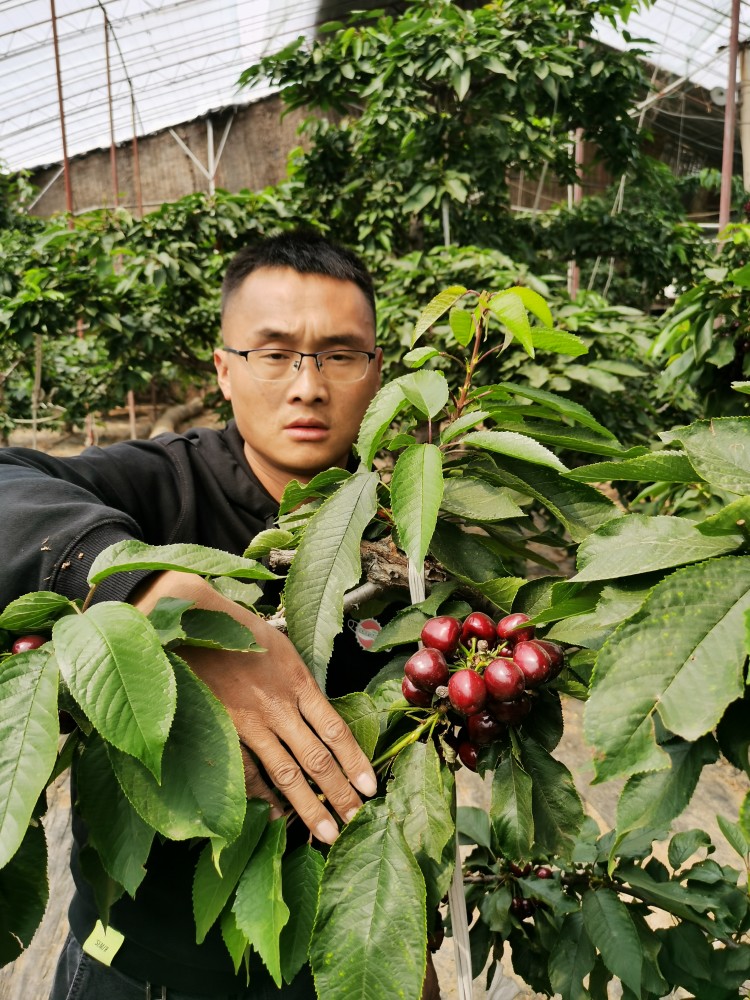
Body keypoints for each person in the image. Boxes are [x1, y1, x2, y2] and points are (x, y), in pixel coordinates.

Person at [0, 231, 440, 999]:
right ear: (225, 371)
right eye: (273, 354)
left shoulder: (412, 521)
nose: (307, 386)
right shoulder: (157, 488)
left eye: (340, 355)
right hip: (135, 967)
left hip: (330, 960)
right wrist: (146, 593)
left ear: (377, 375)